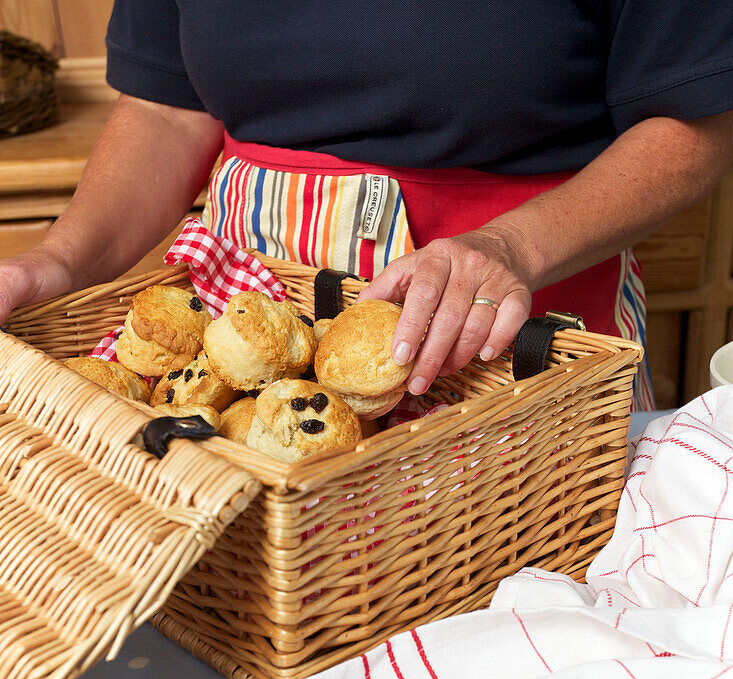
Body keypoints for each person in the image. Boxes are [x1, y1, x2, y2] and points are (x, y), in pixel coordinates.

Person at [0, 1, 732, 410]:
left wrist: (511, 246)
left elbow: (695, 124)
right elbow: (165, 107)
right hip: (242, 301)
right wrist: (57, 262)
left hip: (508, 317)